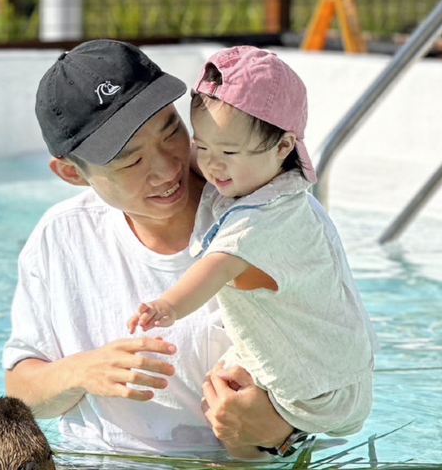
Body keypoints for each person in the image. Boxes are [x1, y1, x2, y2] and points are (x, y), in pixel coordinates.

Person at [2, 39, 298, 458]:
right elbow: (21, 394)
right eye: (130, 160)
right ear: (71, 173)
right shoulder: (61, 237)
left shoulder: (269, 217)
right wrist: (84, 371)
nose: (166, 168)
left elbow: (344, 370)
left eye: (170, 131)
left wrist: (279, 432)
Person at [127, 46, 376, 458]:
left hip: (319, 392)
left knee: (223, 399)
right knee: (226, 391)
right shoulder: (271, 182)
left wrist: (166, 305)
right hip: (332, 367)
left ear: (283, 147)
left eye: (228, 153)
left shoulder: (263, 221)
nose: (211, 166)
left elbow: (217, 267)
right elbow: (210, 152)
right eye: (203, 146)